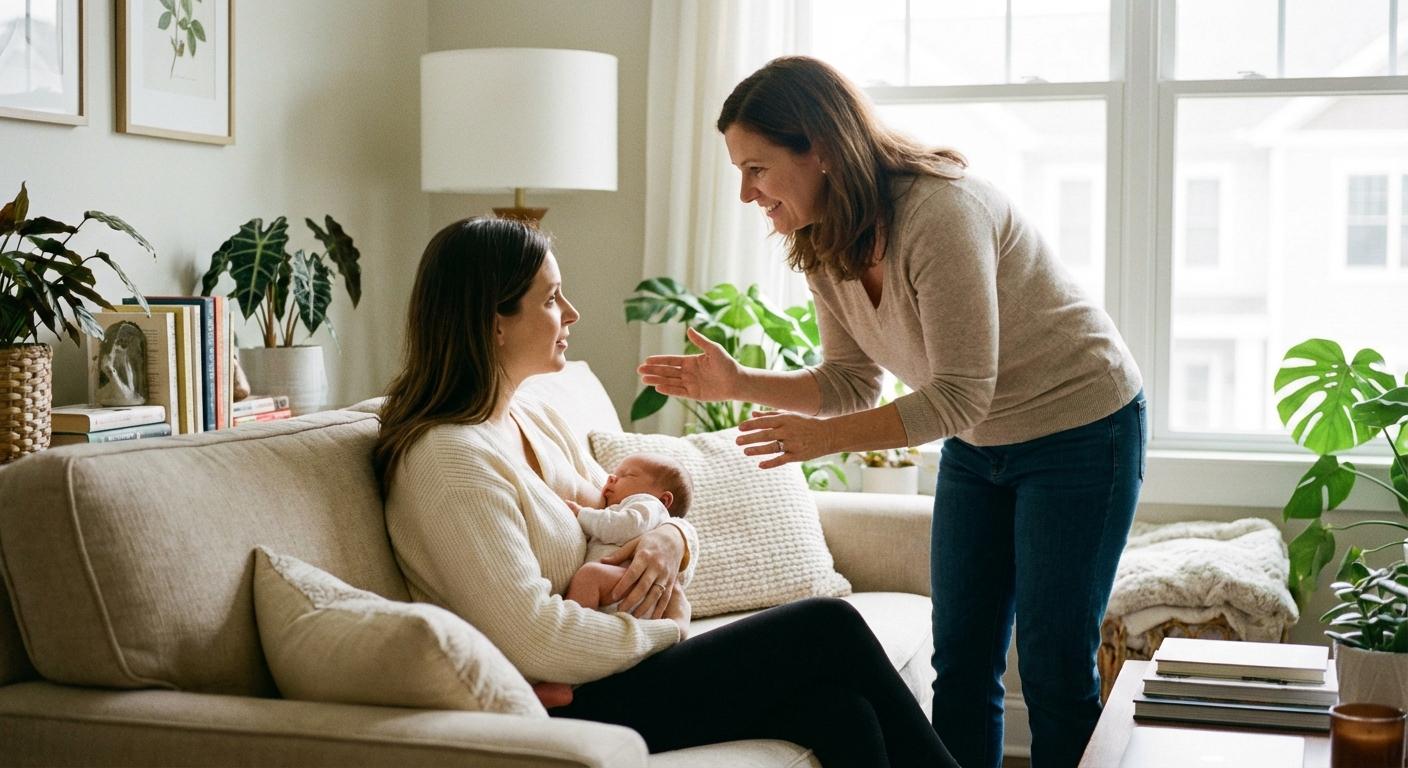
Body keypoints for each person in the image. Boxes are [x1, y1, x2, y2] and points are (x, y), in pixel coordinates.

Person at [638, 56, 1146, 768]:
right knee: (962, 663)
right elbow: (852, 379)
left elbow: (960, 391)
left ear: (817, 147)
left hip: (1081, 429)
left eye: (756, 168)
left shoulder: (942, 214)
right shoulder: (821, 240)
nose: (747, 192)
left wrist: (822, 443)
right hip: (979, 443)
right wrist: (738, 382)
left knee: (1055, 665)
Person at [372, 216, 958, 767]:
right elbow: (535, 638)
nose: (571, 312)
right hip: (563, 700)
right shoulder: (448, 459)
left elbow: (626, 511)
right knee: (827, 627)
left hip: (609, 669)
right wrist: (669, 629)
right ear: (493, 322)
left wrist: (674, 536)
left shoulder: (528, 418)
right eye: (550, 298)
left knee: (839, 713)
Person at [564, 452, 693, 612]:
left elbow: (623, 527)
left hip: (634, 579)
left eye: (628, 475)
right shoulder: (620, 508)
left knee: (588, 577)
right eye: (614, 473)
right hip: (624, 585)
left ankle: (576, 625)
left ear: (663, 500)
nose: (611, 477)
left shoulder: (650, 505)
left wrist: (581, 514)